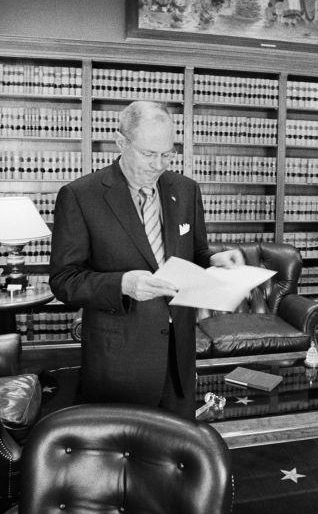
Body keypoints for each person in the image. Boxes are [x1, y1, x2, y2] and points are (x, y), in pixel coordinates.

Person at [48, 101, 244, 420]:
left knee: (176, 450)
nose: (158, 165)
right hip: (119, 360)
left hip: (178, 353)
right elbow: (64, 280)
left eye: (167, 154)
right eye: (148, 154)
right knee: (122, 452)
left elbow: (194, 254)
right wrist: (123, 284)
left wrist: (215, 260)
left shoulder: (185, 189)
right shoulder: (81, 196)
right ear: (121, 142)